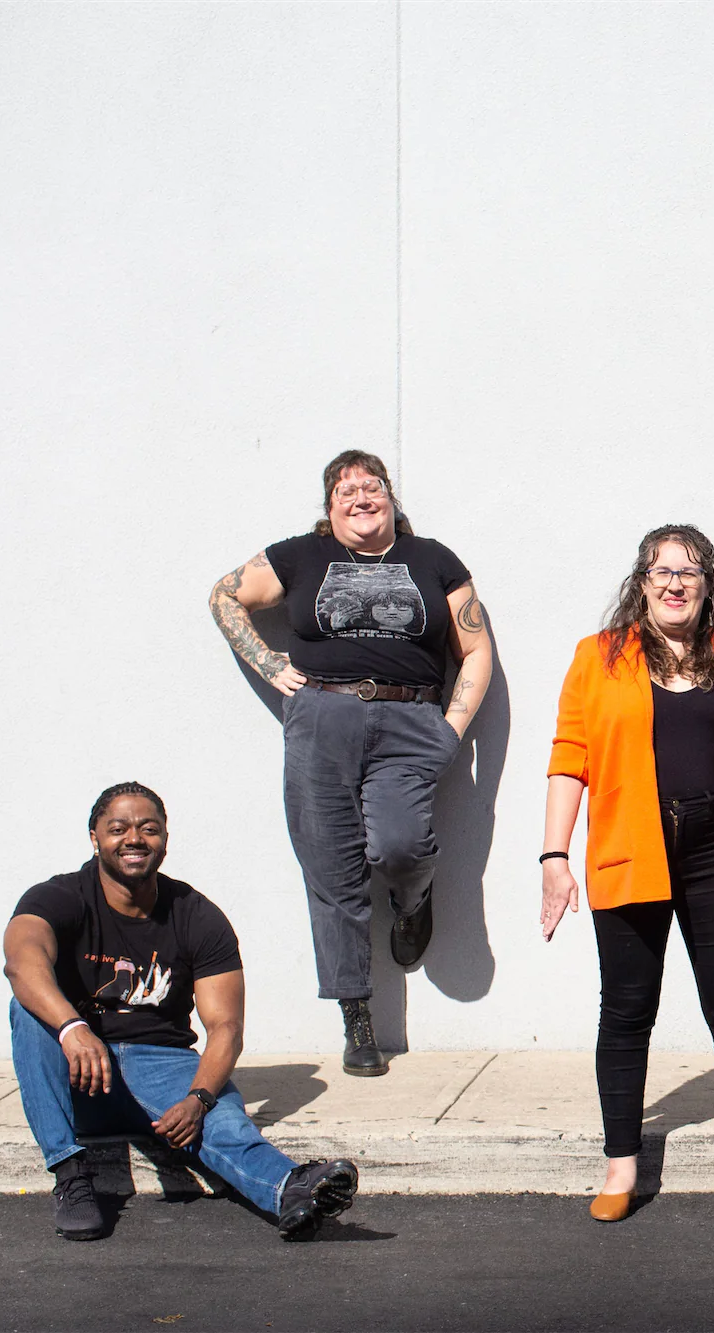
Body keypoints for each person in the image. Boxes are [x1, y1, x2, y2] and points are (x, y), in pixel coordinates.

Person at [539, 524, 714, 1223]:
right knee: (627, 1010)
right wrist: (554, 857)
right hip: (631, 845)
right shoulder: (599, 657)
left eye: (690, 571)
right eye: (661, 570)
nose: (675, 582)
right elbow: (570, 757)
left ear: (708, 585)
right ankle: (620, 1167)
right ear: (641, 581)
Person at [208, 450, 491, 1076]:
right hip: (322, 720)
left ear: (391, 497)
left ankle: (413, 898)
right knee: (332, 870)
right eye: (345, 491)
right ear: (329, 508)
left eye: (372, 487)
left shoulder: (433, 560)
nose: (360, 497)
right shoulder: (299, 557)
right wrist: (268, 662)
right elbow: (225, 596)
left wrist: (450, 731)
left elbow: (475, 650)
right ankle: (356, 1017)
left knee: (401, 844)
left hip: (412, 719)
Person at [3, 782, 360, 1242]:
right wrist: (72, 1026)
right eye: (118, 828)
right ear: (94, 837)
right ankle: (71, 1175)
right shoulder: (59, 897)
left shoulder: (196, 915)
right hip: (83, 1074)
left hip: (162, 1063)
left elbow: (226, 1028)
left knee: (224, 1118)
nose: (134, 838)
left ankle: (291, 1188)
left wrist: (199, 1099)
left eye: (148, 829)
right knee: (28, 1011)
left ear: (165, 839)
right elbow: (22, 961)